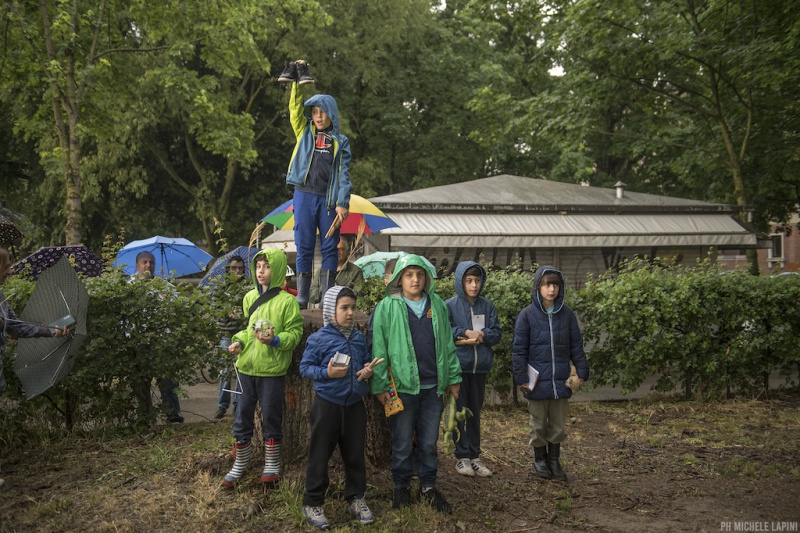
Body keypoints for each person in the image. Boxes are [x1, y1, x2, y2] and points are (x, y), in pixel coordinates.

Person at [369, 254, 461, 514]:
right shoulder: (387, 306)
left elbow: (448, 344)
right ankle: (401, 486)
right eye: (409, 275)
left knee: (429, 442)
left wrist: (454, 378)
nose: (415, 279)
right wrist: (380, 385)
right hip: (401, 388)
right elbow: (379, 348)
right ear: (399, 279)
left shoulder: (437, 304)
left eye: (419, 274)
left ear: (426, 278)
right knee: (401, 442)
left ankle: (428, 486)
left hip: (433, 387)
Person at [222, 248, 303, 487]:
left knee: (271, 417)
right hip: (246, 368)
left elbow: (295, 333)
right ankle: (240, 462)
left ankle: (272, 463)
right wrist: (239, 342)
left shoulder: (287, 302)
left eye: (267, 267)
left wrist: (275, 341)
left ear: (277, 270)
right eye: (258, 267)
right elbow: (249, 331)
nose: (261, 271)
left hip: (271, 371)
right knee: (242, 416)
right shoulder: (249, 298)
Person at [299, 286, 376, 529]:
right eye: (344, 308)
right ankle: (312, 501)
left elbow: (364, 360)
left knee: (354, 455)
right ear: (331, 310)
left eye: (352, 307)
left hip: (354, 406)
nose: (350, 312)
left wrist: (366, 371)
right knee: (319, 455)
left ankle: (356, 498)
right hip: (327, 407)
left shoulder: (358, 338)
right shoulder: (318, 338)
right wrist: (327, 373)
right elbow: (305, 368)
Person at [284, 58, 352, 309]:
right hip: (303, 194)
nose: (318, 116)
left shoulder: (341, 141)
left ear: (330, 113)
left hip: (328, 199)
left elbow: (344, 174)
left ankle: (327, 296)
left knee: (330, 246)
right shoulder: (304, 132)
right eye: (314, 112)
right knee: (303, 244)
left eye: (322, 112)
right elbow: (294, 110)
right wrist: (296, 83)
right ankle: (302, 294)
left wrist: (343, 202)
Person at [512, 266, 589, 482]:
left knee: (558, 424)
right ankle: (540, 460)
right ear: (538, 287)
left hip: (560, 382)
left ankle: (554, 460)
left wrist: (582, 372)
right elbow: (519, 350)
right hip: (536, 382)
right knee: (538, 423)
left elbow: (576, 346)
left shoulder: (567, 315)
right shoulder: (527, 315)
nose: (551, 289)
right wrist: (521, 377)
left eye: (555, 285)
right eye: (547, 285)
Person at [445, 261, 502, 478]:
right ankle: (462, 457)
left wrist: (484, 334)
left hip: (480, 368)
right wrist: (465, 332)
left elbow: (497, 333)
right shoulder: (449, 305)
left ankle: (475, 455)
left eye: (477, 280)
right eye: (469, 280)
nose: (474, 285)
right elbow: (445, 330)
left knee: (475, 413)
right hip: (459, 368)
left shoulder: (487, 306)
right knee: (460, 412)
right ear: (460, 282)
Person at [129, 251, 184, 423]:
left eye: (151, 262)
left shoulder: (164, 286)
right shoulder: (129, 288)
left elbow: (177, 309)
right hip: (139, 341)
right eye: (144, 262)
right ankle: (145, 417)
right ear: (137, 265)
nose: (148, 265)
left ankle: (172, 414)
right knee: (141, 382)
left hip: (161, 341)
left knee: (167, 380)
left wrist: (166, 300)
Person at [209, 255, 246, 419]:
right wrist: (227, 313)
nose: (237, 271)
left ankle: (237, 405)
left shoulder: (247, 288)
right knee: (225, 372)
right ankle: (222, 405)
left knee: (240, 372)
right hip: (226, 335)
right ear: (228, 269)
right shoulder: (221, 288)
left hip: (242, 336)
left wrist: (241, 314)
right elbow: (215, 310)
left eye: (240, 268)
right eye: (234, 268)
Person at [309, 235, 364, 306]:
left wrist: (340, 291)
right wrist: (326, 287)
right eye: (334, 249)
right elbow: (312, 297)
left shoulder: (356, 271)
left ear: (346, 251)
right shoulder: (322, 271)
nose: (337, 252)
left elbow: (359, 296)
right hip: (324, 311)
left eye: (341, 249)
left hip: (345, 310)